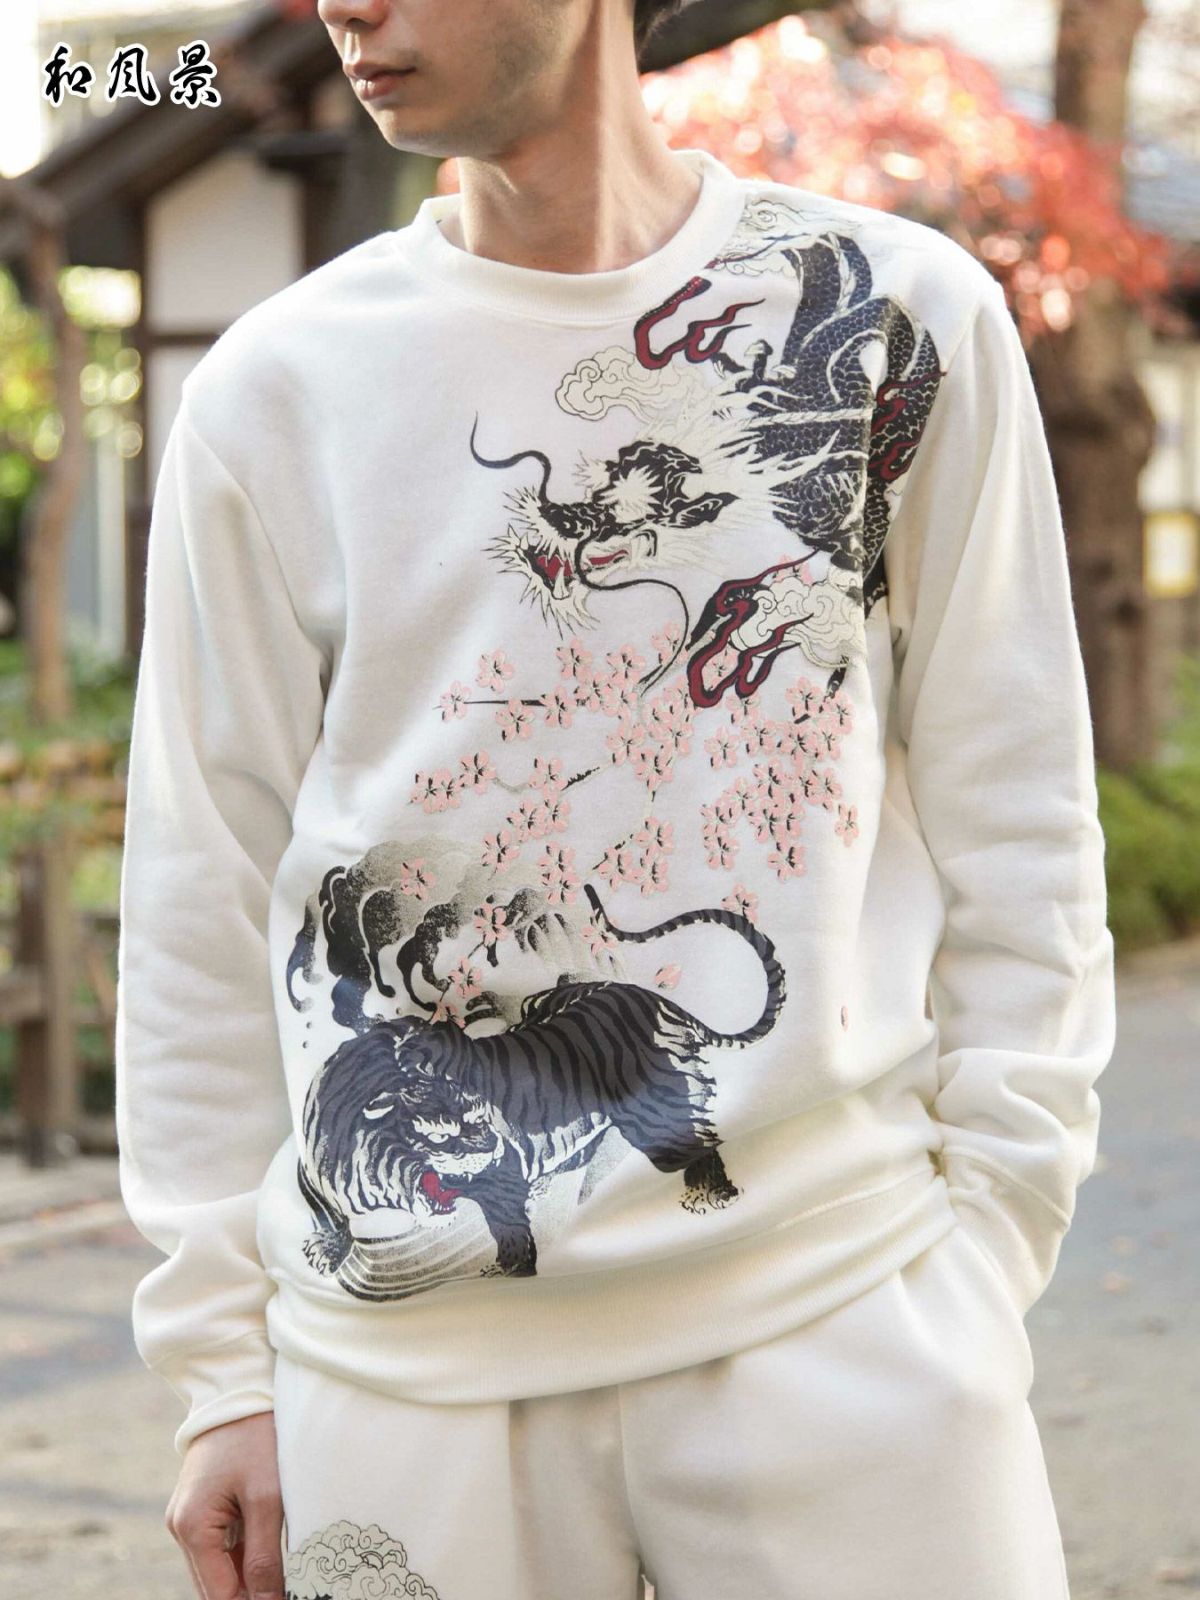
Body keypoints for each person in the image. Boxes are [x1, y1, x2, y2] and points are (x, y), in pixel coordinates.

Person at [114, 1, 1117, 1596]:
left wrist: (991, 1232)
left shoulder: (890, 316)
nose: (344, 8)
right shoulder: (277, 386)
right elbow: (200, 882)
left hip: (849, 1318)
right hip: (407, 1374)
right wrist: (222, 1367)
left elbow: (1020, 803)